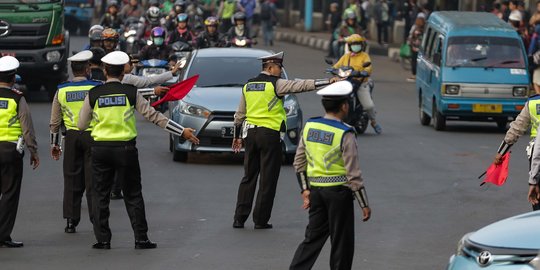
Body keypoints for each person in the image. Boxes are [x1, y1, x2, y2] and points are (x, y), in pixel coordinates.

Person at [77, 51, 199, 249]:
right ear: (123, 73)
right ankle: (141, 238)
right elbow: (155, 117)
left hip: (100, 150)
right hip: (125, 150)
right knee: (133, 194)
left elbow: (81, 125)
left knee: (100, 195)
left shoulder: (93, 94)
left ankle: (103, 240)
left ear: (105, 70)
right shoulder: (131, 93)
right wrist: (182, 131)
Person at [231, 52, 340, 229]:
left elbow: (239, 114)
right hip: (269, 135)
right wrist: (328, 81)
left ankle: (239, 218)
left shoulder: (249, 85)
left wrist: (236, 137)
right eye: (279, 68)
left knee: (248, 177)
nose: (281, 71)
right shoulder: (276, 84)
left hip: (249, 135)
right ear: (270, 67)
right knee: (268, 179)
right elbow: (301, 85)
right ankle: (260, 220)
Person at [289, 81, 371, 270]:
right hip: (339, 194)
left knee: (312, 239)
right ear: (344, 106)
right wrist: (364, 204)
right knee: (341, 243)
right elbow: (353, 173)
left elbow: (299, 162)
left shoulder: (310, 126)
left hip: (316, 192)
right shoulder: (345, 133)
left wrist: (305, 190)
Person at [49, 51, 102, 234]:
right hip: (93, 135)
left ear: (72, 70)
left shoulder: (62, 90)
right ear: (87, 69)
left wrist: (54, 144)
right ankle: (97, 219)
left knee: (71, 178)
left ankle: (71, 221)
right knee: (93, 179)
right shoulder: (97, 87)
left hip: (71, 136)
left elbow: (55, 122)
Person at [0, 56, 39, 248]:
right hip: (9, 153)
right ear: (13, 78)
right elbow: (27, 127)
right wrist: (33, 151)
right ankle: (3, 235)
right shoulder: (17, 98)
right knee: (9, 194)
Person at [334, 34, 381, 134]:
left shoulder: (365, 56)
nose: (356, 46)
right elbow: (337, 65)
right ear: (350, 46)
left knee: (368, 106)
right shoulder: (346, 56)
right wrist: (333, 69)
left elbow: (369, 67)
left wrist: (365, 71)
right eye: (354, 44)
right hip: (347, 82)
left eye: (358, 44)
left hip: (360, 83)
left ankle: (373, 121)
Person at [406, 13, 425, 82]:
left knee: (414, 61)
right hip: (421, 48)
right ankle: (419, 75)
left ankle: (414, 75)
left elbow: (411, 36)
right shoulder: (425, 28)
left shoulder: (415, 27)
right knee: (420, 62)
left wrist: (409, 43)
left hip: (414, 47)